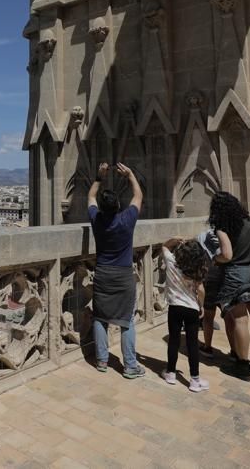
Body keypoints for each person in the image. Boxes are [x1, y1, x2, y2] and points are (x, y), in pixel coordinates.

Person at [209, 192, 250, 381]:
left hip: (236, 275)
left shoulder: (223, 228)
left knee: (240, 320)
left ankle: (242, 366)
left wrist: (215, 259)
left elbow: (227, 255)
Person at [88, 162, 145, 378]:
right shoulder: (126, 220)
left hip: (102, 273)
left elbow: (91, 197)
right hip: (123, 275)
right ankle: (130, 366)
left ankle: (102, 360)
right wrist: (130, 174)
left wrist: (99, 176)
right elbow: (138, 196)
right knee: (126, 320)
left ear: (102, 208)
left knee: (100, 317)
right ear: (119, 205)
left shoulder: (97, 220)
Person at [160, 237, 211, 391]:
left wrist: (173, 240)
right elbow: (201, 290)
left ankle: (170, 373)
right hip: (191, 308)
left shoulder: (172, 262)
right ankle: (194, 380)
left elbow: (164, 246)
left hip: (175, 307)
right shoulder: (196, 268)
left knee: (174, 340)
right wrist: (201, 305)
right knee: (192, 343)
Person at [196, 228, 231, 361]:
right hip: (226, 276)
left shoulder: (202, 236)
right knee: (229, 316)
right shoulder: (230, 236)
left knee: (208, 316)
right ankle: (234, 350)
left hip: (210, 277)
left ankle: (208, 347)